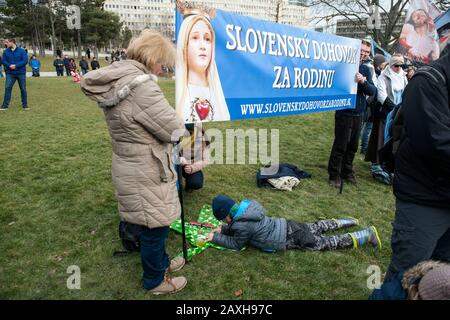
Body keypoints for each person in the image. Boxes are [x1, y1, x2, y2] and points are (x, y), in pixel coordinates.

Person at [80, 29, 187, 295]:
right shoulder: (141, 86)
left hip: (131, 162)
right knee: (156, 226)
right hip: (146, 167)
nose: (164, 69)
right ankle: (155, 280)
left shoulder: (121, 78)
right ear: (151, 58)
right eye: (163, 62)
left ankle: (161, 263)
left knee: (153, 221)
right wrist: (179, 119)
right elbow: (174, 130)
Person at [381, 43, 450, 284]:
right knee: (406, 278)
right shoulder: (428, 81)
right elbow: (437, 144)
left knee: (440, 281)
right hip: (424, 200)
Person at [206, 195, 381, 252]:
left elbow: (237, 243)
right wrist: (223, 229)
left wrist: (215, 237)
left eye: (223, 220)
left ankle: (366, 235)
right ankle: (350, 221)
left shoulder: (241, 225)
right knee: (317, 226)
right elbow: (238, 228)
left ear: (227, 215)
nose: (223, 222)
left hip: (288, 238)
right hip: (287, 225)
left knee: (325, 243)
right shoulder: (247, 208)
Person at [327, 39, 376, 187]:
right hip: (344, 112)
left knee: (353, 146)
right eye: (361, 50)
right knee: (340, 145)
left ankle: (347, 172)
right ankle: (334, 175)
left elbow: (373, 91)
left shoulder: (366, 69)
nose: (363, 54)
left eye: (366, 52)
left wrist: (363, 82)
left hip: (359, 113)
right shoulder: (343, 66)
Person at [175, 2, 230, 123]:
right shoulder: (181, 94)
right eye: (195, 38)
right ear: (184, 44)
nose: (203, 46)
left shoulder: (218, 96)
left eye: (207, 39)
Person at [365, 55, 408, 185]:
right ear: (391, 65)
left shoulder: (403, 77)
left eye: (401, 66)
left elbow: (406, 93)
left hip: (398, 114)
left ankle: (390, 165)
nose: (398, 68)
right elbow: (381, 96)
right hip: (385, 113)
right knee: (380, 139)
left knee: (394, 140)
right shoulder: (383, 76)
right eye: (396, 65)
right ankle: (377, 165)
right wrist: (395, 109)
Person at [177, 123, 210, 192]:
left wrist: (192, 167)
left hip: (190, 165)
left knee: (196, 183)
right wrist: (179, 158)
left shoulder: (203, 139)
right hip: (174, 164)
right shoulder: (176, 133)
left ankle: (189, 184)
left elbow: (205, 160)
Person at [1, 39, 29, 111]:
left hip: (21, 73)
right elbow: (3, 61)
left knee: (23, 89)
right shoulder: (6, 51)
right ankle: (5, 106)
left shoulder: (22, 51)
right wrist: (9, 65)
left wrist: (16, 65)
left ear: (12, 42)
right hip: (10, 73)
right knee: (7, 88)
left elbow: (25, 60)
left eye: (7, 42)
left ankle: (25, 105)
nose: (6, 44)